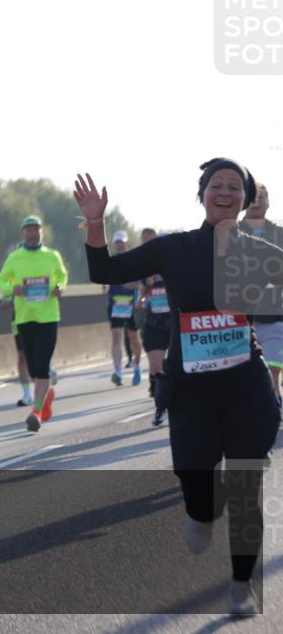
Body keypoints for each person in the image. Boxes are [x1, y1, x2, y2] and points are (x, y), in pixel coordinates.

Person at [74, 160, 282, 617]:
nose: (224, 192)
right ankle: (201, 511)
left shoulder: (264, 252)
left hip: (247, 384)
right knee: (196, 483)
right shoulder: (175, 249)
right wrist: (95, 222)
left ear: (246, 199)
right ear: (202, 194)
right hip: (191, 389)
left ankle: (241, 584)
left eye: (234, 187)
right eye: (216, 185)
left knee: (247, 484)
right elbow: (104, 270)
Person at [0, 216, 67, 432]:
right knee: (34, 367)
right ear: (23, 234)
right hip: (25, 317)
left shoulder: (52, 256)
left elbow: (62, 277)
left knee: (43, 363)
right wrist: (12, 290)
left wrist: (60, 288)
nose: (32, 233)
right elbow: (1, 281)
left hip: (48, 317)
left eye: (36, 229)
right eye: (28, 230)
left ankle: (35, 411)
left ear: (41, 233)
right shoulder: (15, 258)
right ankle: (45, 399)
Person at [240, 183, 283, 396]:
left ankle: (274, 407)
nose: (257, 201)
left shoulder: (279, 234)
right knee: (246, 376)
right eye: (253, 197)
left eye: (261, 197)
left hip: (275, 317)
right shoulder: (228, 234)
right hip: (240, 319)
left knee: (272, 370)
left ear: (268, 202)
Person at [137, 228, 172, 425]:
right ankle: (160, 408)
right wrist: (141, 299)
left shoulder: (174, 264)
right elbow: (141, 293)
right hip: (154, 322)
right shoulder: (145, 266)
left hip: (175, 321)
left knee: (178, 367)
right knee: (156, 365)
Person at [104, 231, 142, 386]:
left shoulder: (134, 260)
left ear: (127, 243)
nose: (119, 244)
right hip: (115, 306)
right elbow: (104, 278)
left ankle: (137, 367)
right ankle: (118, 372)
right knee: (116, 340)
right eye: (117, 242)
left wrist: (131, 284)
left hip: (132, 305)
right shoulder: (110, 261)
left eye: (122, 242)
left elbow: (141, 282)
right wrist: (105, 285)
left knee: (134, 338)